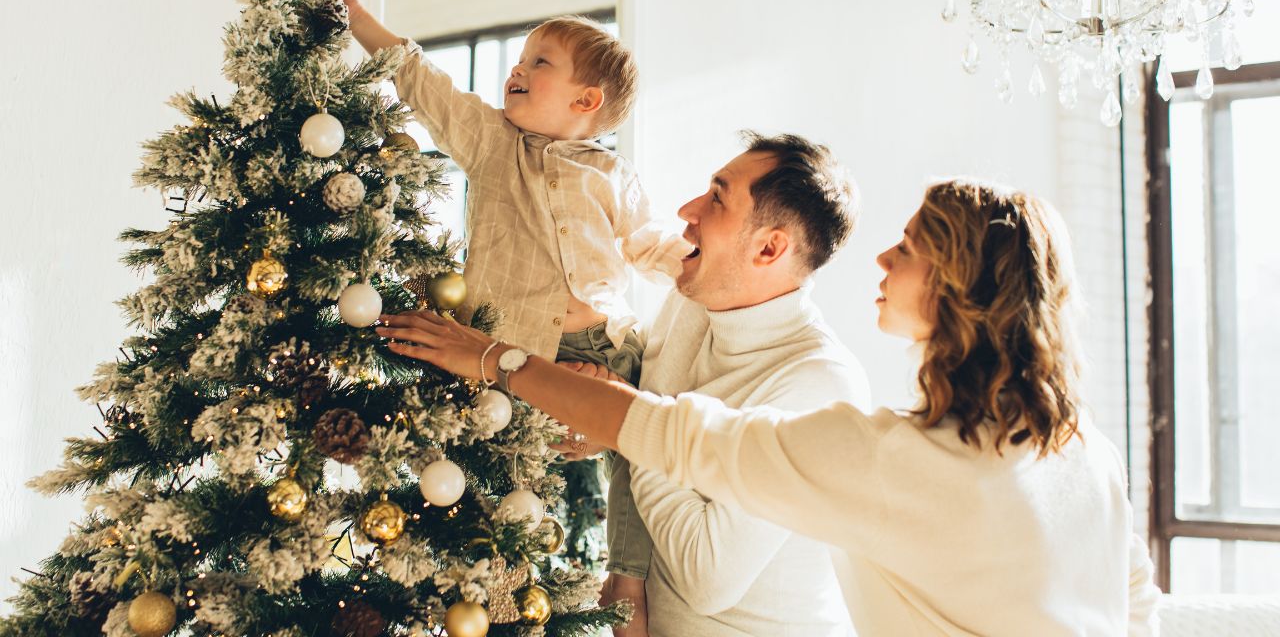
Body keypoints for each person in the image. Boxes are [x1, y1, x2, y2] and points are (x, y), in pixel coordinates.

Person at [378, 178, 1164, 636]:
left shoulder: (891, 462)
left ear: (958, 291)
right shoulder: (1085, 450)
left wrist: (489, 359)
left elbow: (655, 427)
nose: (884, 259)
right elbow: (1135, 604)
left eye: (911, 248)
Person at [300, 0, 690, 631]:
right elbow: (421, 81)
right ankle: (507, 606)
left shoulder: (610, 173)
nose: (518, 68)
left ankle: (627, 580)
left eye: (539, 61)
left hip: (607, 344)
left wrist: (699, 262)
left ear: (585, 101)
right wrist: (356, 15)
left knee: (640, 463)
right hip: (513, 348)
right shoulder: (491, 143)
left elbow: (649, 242)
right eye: (519, 57)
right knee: (513, 486)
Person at [561, 133, 863, 636]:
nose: (688, 209)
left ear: (769, 248)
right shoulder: (693, 301)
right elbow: (650, 430)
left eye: (717, 197)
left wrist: (624, 424)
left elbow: (708, 576)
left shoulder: (819, 384)